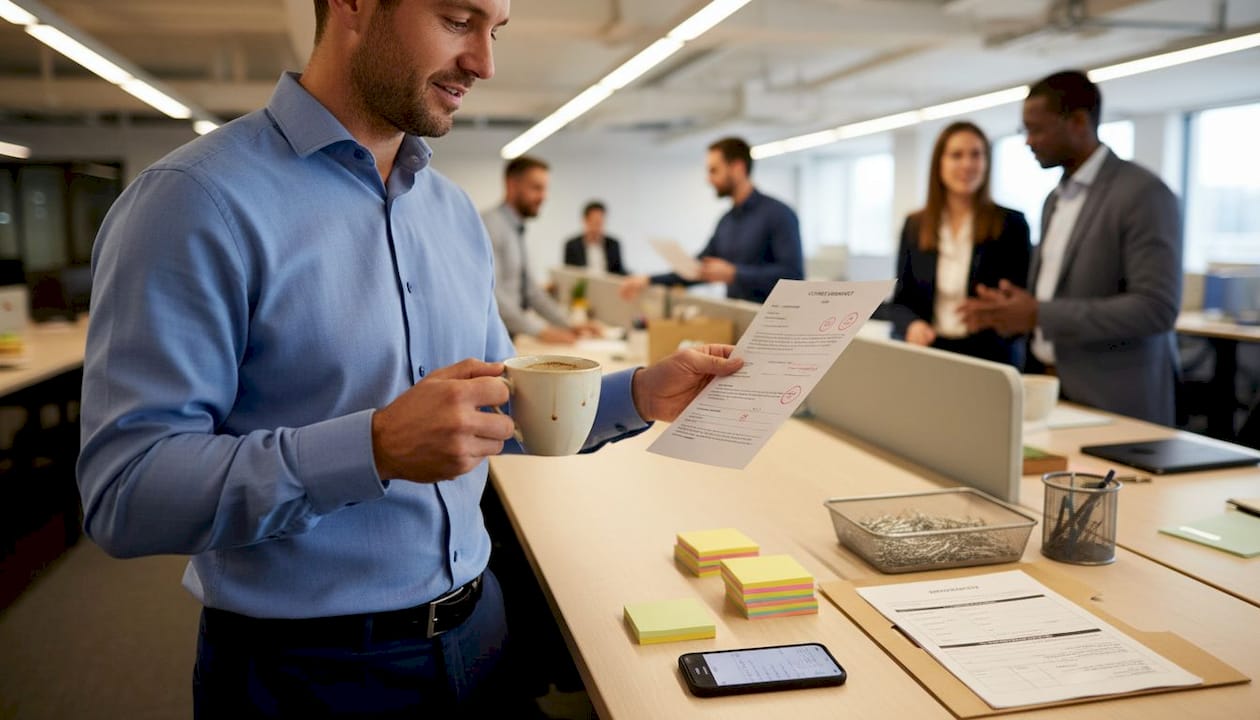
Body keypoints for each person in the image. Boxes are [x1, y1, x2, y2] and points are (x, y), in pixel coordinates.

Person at [74, 1, 743, 716]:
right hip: (307, 673)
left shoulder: (452, 213)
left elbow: (489, 410)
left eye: (496, 31)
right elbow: (126, 492)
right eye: (459, 20)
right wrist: (375, 447)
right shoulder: (193, 201)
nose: (485, 63)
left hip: (481, 636)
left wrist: (638, 395)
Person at [960, 70, 1181, 424]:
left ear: (1078, 122)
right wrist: (1009, 312)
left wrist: (1039, 314)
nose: (1029, 141)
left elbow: (1156, 308)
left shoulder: (1142, 193)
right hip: (1053, 393)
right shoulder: (1054, 200)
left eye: (1037, 129)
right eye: (1025, 130)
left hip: (1114, 406)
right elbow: (1054, 294)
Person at [882, 121, 1031, 367]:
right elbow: (900, 302)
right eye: (956, 155)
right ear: (939, 163)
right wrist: (913, 324)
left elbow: (1021, 304)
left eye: (976, 154)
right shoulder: (915, 225)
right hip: (930, 352)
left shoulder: (1011, 224)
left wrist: (994, 312)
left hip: (988, 359)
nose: (967, 164)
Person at [620, 136, 803, 304]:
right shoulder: (726, 222)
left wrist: (735, 274)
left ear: (738, 168)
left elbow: (793, 276)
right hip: (740, 319)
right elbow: (697, 270)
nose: (709, 179)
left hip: (774, 324)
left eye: (714, 170)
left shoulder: (779, 214)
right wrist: (648, 280)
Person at [483, 156, 594, 344]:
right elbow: (492, 294)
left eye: (545, 188)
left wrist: (568, 324)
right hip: (491, 339)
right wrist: (541, 331)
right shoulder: (490, 226)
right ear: (512, 185)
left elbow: (531, 291)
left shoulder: (515, 229)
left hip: (511, 335)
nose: (544, 196)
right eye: (536, 188)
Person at [563, 200, 627, 275]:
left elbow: (619, 272)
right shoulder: (572, 245)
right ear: (585, 221)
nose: (597, 227)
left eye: (600, 222)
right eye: (594, 222)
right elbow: (567, 273)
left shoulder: (614, 244)